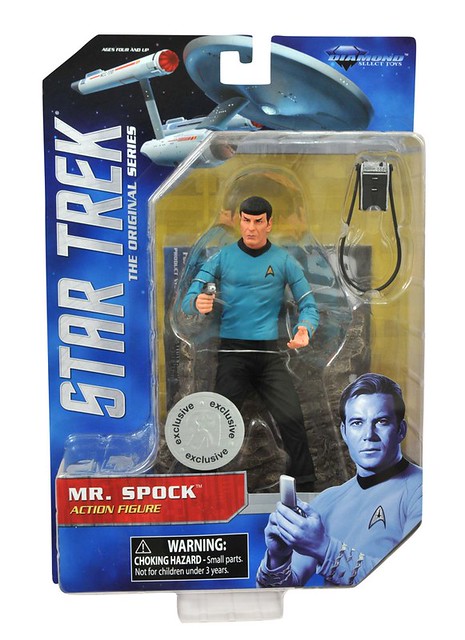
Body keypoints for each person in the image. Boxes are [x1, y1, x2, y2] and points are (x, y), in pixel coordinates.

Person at [182, 195, 319, 490]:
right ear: (239, 221)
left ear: (269, 224)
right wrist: (198, 302)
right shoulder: (222, 258)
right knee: (216, 422)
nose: (251, 228)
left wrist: (304, 329)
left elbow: (309, 304)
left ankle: (306, 486)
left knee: (292, 418)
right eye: (246, 221)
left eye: (258, 222)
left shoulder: (283, 260)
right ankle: (202, 483)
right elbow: (188, 298)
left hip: (269, 355)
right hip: (233, 354)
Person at [256, 372, 422, 587]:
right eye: (357, 422)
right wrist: (278, 558)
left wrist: (323, 547)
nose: (368, 434)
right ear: (344, 432)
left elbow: (410, 582)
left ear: (401, 430)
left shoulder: (424, 490)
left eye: (381, 421)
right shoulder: (327, 501)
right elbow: (279, 592)